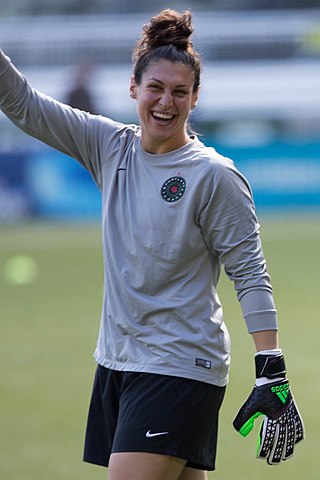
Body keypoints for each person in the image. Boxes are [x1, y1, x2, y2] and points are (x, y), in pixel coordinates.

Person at [0, 9, 304, 480]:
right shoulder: (108, 145)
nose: (166, 102)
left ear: (195, 98)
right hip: (118, 361)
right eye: (156, 88)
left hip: (180, 365)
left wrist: (272, 371)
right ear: (133, 88)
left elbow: (250, 273)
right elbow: (23, 103)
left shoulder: (213, 175)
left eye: (180, 92)